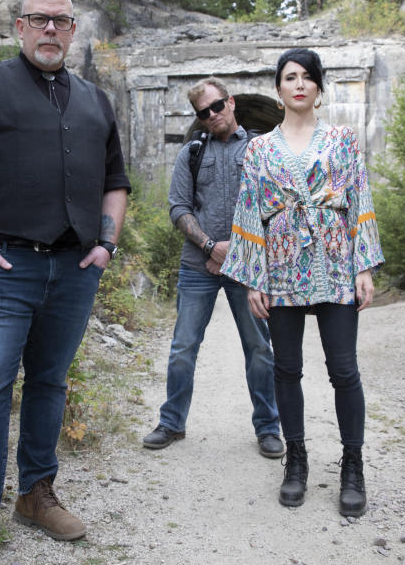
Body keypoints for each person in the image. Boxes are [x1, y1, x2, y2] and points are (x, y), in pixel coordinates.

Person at [0, 0, 130, 565]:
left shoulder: (96, 101)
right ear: (19, 26)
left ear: (72, 31)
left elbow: (116, 182)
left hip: (74, 268)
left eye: (61, 22)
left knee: (49, 382)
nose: (50, 31)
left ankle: (37, 495)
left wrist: (106, 245)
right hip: (1, 267)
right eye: (38, 20)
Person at [222, 48, 384, 517]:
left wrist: (363, 266)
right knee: (286, 369)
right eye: (289, 77)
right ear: (278, 90)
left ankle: (352, 466)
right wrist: (253, 278)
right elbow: (249, 211)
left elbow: (359, 197)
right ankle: (296, 461)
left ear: (318, 86)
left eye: (307, 77)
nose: (299, 84)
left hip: (335, 263)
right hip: (282, 266)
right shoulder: (259, 149)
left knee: (344, 369)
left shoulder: (342, 140)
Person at [142, 77, 284, 460]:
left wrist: (234, 251)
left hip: (247, 268)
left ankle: (268, 428)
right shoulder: (190, 153)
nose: (212, 115)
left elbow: (273, 207)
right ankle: (171, 422)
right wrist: (208, 245)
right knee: (183, 347)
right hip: (197, 266)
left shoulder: (261, 149)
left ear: (231, 102)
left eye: (217, 106)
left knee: (258, 348)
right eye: (202, 112)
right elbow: (178, 208)